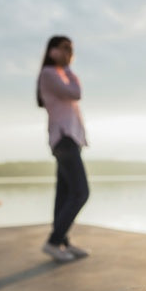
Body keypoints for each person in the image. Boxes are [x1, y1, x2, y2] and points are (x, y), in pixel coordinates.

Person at [37, 35, 90, 262]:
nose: (69, 52)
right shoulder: (50, 74)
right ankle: (53, 241)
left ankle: (62, 241)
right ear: (52, 51)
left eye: (71, 49)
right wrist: (67, 66)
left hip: (69, 140)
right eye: (64, 48)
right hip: (64, 140)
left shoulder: (57, 75)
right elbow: (76, 93)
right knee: (80, 192)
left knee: (65, 194)